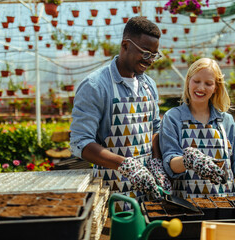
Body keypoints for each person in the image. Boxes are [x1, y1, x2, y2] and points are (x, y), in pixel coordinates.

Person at [70, 17, 171, 211]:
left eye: (154, 55)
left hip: (148, 192)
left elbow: (155, 129)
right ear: (125, 45)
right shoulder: (96, 86)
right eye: (146, 53)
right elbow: (80, 143)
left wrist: (157, 164)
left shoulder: (149, 85)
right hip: (112, 194)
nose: (149, 60)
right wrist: (127, 166)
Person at [159, 58, 235, 199]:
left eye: (208, 83)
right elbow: (169, 163)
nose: (201, 88)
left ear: (216, 88)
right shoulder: (173, 118)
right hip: (186, 204)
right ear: (188, 80)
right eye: (196, 81)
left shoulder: (225, 121)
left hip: (224, 201)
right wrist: (189, 160)